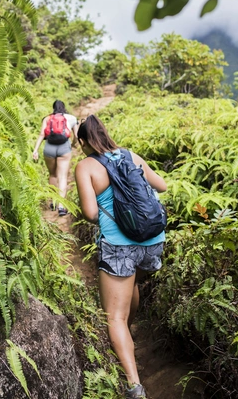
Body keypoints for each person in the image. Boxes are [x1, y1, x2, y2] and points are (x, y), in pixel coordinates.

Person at [74, 115, 167, 399]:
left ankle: (134, 387)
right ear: (105, 133)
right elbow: (161, 185)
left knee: (114, 316)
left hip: (118, 245)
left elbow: (91, 214)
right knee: (132, 285)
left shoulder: (85, 167)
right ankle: (129, 331)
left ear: (82, 142)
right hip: (152, 239)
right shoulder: (130, 154)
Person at [32, 100, 79, 216]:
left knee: (52, 174)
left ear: (53, 108)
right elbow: (76, 136)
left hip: (49, 148)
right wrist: (73, 145)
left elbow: (42, 134)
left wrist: (35, 150)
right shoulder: (71, 118)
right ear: (64, 107)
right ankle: (62, 207)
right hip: (64, 148)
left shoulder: (47, 118)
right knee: (62, 177)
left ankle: (53, 202)